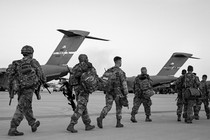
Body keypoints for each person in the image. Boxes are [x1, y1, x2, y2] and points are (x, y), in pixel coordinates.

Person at [8, 45, 46, 136]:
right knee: (21, 108)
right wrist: (44, 82)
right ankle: (13, 128)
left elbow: (10, 76)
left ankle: (33, 124)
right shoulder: (33, 62)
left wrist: (12, 88)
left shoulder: (16, 63)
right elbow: (41, 75)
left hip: (20, 89)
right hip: (28, 88)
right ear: (32, 53)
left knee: (27, 107)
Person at [97, 56, 129, 128]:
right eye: (121, 61)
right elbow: (124, 83)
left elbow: (103, 80)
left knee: (108, 106)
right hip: (118, 92)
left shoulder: (108, 71)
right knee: (119, 107)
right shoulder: (120, 72)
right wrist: (126, 92)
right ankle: (118, 123)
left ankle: (100, 118)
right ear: (119, 61)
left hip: (109, 91)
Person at [66, 54, 95, 133]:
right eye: (87, 58)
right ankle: (71, 124)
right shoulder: (87, 66)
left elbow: (71, 80)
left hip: (77, 89)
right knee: (81, 107)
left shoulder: (75, 67)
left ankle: (87, 124)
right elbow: (93, 77)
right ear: (85, 59)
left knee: (83, 106)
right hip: (83, 89)